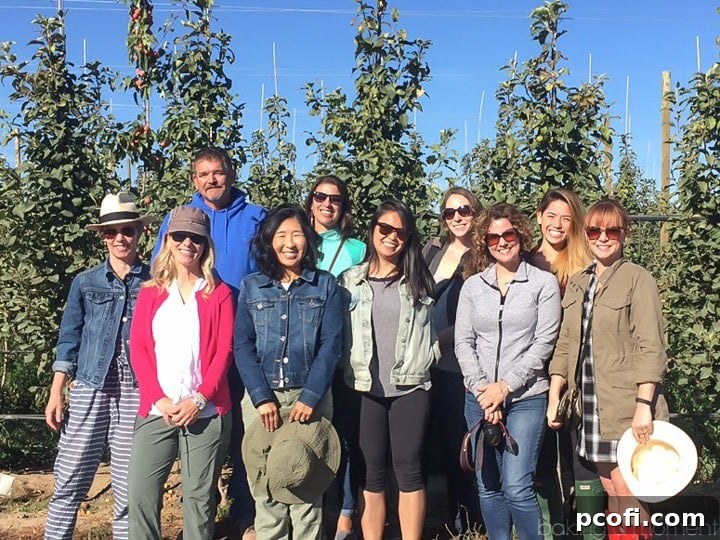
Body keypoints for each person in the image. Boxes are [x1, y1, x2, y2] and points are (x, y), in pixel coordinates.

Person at [152, 147, 266, 536]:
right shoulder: (179, 219)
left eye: (218, 172)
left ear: (231, 174)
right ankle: (204, 508)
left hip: (241, 336)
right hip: (192, 342)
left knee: (240, 429)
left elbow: (267, 271)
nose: (212, 179)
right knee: (201, 427)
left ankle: (243, 508)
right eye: (204, 174)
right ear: (194, 180)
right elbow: (160, 274)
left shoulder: (256, 217)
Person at [547, 199, 669, 540]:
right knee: (610, 489)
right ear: (585, 235)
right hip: (589, 407)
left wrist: (643, 407)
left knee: (628, 490)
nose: (603, 237)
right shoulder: (578, 283)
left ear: (624, 234)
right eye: (595, 230)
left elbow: (651, 347)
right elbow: (566, 344)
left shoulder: (637, 280)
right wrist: (554, 395)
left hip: (624, 407)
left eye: (612, 230)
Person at [44, 192, 153, 540]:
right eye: (112, 232)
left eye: (127, 230)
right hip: (91, 384)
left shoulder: (155, 283)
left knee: (127, 486)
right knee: (70, 478)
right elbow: (69, 337)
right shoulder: (85, 282)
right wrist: (57, 391)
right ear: (102, 236)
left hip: (136, 389)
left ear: (139, 233)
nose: (120, 238)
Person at [234, 203, 343, 539]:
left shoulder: (324, 286)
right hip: (262, 402)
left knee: (306, 491)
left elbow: (331, 345)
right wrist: (261, 396)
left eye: (297, 234)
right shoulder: (253, 287)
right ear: (269, 241)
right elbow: (243, 345)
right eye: (281, 235)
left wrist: (310, 396)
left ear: (308, 240)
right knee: (266, 490)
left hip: (307, 400)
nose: (290, 243)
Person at [455, 203, 561, 540]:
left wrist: (505, 387)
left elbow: (544, 343)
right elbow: (463, 342)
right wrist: (483, 390)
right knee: (488, 486)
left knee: (517, 485)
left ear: (520, 234)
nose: (502, 242)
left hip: (527, 397)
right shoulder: (473, 287)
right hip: (479, 397)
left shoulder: (542, 284)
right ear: (484, 242)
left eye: (508, 234)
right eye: (493, 237)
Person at [128, 206, 234, 540]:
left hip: (206, 411)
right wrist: (158, 397)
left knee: (199, 501)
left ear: (205, 244)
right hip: (158, 410)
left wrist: (199, 399)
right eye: (180, 236)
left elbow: (224, 352)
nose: (188, 243)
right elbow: (140, 349)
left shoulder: (219, 293)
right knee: (141, 495)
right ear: (168, 240)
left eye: (196, 237)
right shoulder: (151, 291)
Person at [341, 199, 438, 540]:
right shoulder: (349, 281)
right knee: (372, 474)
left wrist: (431, 356)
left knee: (409, 471)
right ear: (372, 231)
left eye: (401, 232)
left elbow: (433, 332)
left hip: (409, 388)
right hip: (366, 388)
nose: (392, 237)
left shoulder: (418, 280)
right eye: (385, 229)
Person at [529, 189, 602, 540]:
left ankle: (589, 532)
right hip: (534, 373)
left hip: (581, 373)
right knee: (542, 459)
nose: (557, 224)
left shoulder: (588, 265)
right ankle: (552, 531)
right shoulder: (525, 262)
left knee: (583, 460)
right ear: (539, 216)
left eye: (566, 218)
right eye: (551, 215)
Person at [304, 174, 366, 539]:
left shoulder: (357, 249)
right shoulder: (298, 241)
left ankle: (344, 512)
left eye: (336, 199)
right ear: (311, 201)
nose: (327, 204)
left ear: (343, 207)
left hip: (342, 354)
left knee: (341, 437)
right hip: (302, 356)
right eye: (321, 197)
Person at [422, 187, 483, 534]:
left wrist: (434, 343)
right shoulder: (433, 250)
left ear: (475, 213)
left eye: (464, 210)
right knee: (440, 441)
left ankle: (468, 519)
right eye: (450, 212)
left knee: (462, 439)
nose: (457, 217)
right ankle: (448, 514)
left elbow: (476, 315)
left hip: (459, 363)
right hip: (427, 362)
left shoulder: (483, 254)